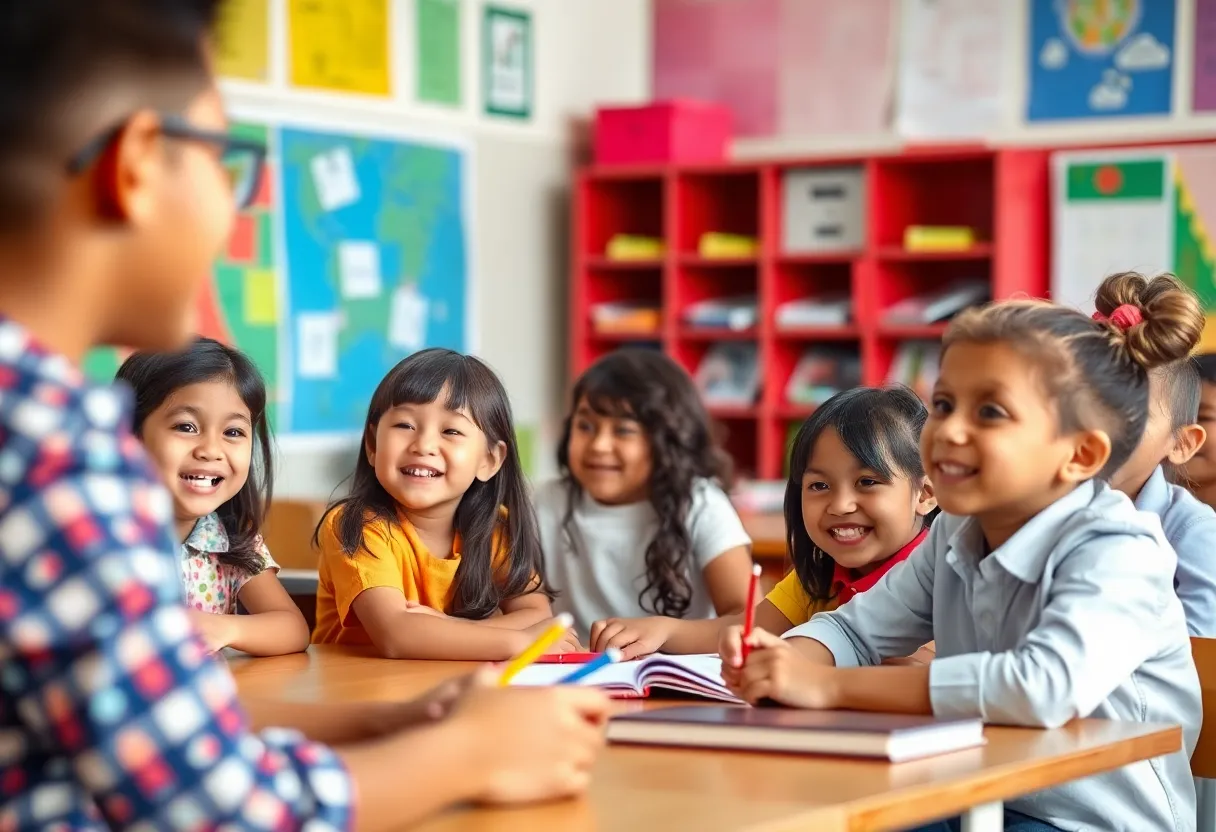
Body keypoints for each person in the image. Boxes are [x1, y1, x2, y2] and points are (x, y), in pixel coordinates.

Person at [0, 3, 606, 827]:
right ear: (137, 165)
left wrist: (387, 721)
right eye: (226, 161)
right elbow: (211, 808)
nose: (231, 205)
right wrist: (472, 753)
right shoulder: (52, 454)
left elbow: (153, 732)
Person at [724, 276, 1203, 831]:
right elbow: (857, 631)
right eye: (945, 404)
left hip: (1088, 818)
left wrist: (826, 685)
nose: (948, 431)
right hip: (972, 795)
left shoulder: (1121, 552)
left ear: (1080, 454)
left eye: (990, 413)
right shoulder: (956, 531)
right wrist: (785, 658)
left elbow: (1038, 687)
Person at [586, 386, 936, 659]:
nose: (840, 505)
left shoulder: (937, 577)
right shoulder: (815, 578)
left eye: (867, 482)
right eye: (819, 485)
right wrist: (664, 631)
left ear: (926, 493)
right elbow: (748, 629)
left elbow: (926, 669)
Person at [313, 348, 581, 659]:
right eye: (405, 425)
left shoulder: (495, 527)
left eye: (451, 430)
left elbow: (537, 614)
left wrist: (447, 627)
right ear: (372, 445)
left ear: (490, 459)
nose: (424, 445)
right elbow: (396, 635)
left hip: (448, 690)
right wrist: (521, 642)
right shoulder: (357, 526)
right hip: (357, 695)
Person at [534, 348, 754, 646]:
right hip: (574, 676)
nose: (599, 445)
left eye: (623, 430)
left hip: (677, 680)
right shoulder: (544, 502)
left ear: (667, 441)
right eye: (585, 426)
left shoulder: (701, 504)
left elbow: (749, 619)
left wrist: (667, 632)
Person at [117, 337, 311, 655]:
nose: (210, 450)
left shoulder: (233, 539)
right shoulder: (102, 533)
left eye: (233, 432)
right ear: (131, 436)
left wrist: (223, 628)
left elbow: (292, 628)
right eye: (186, 427)